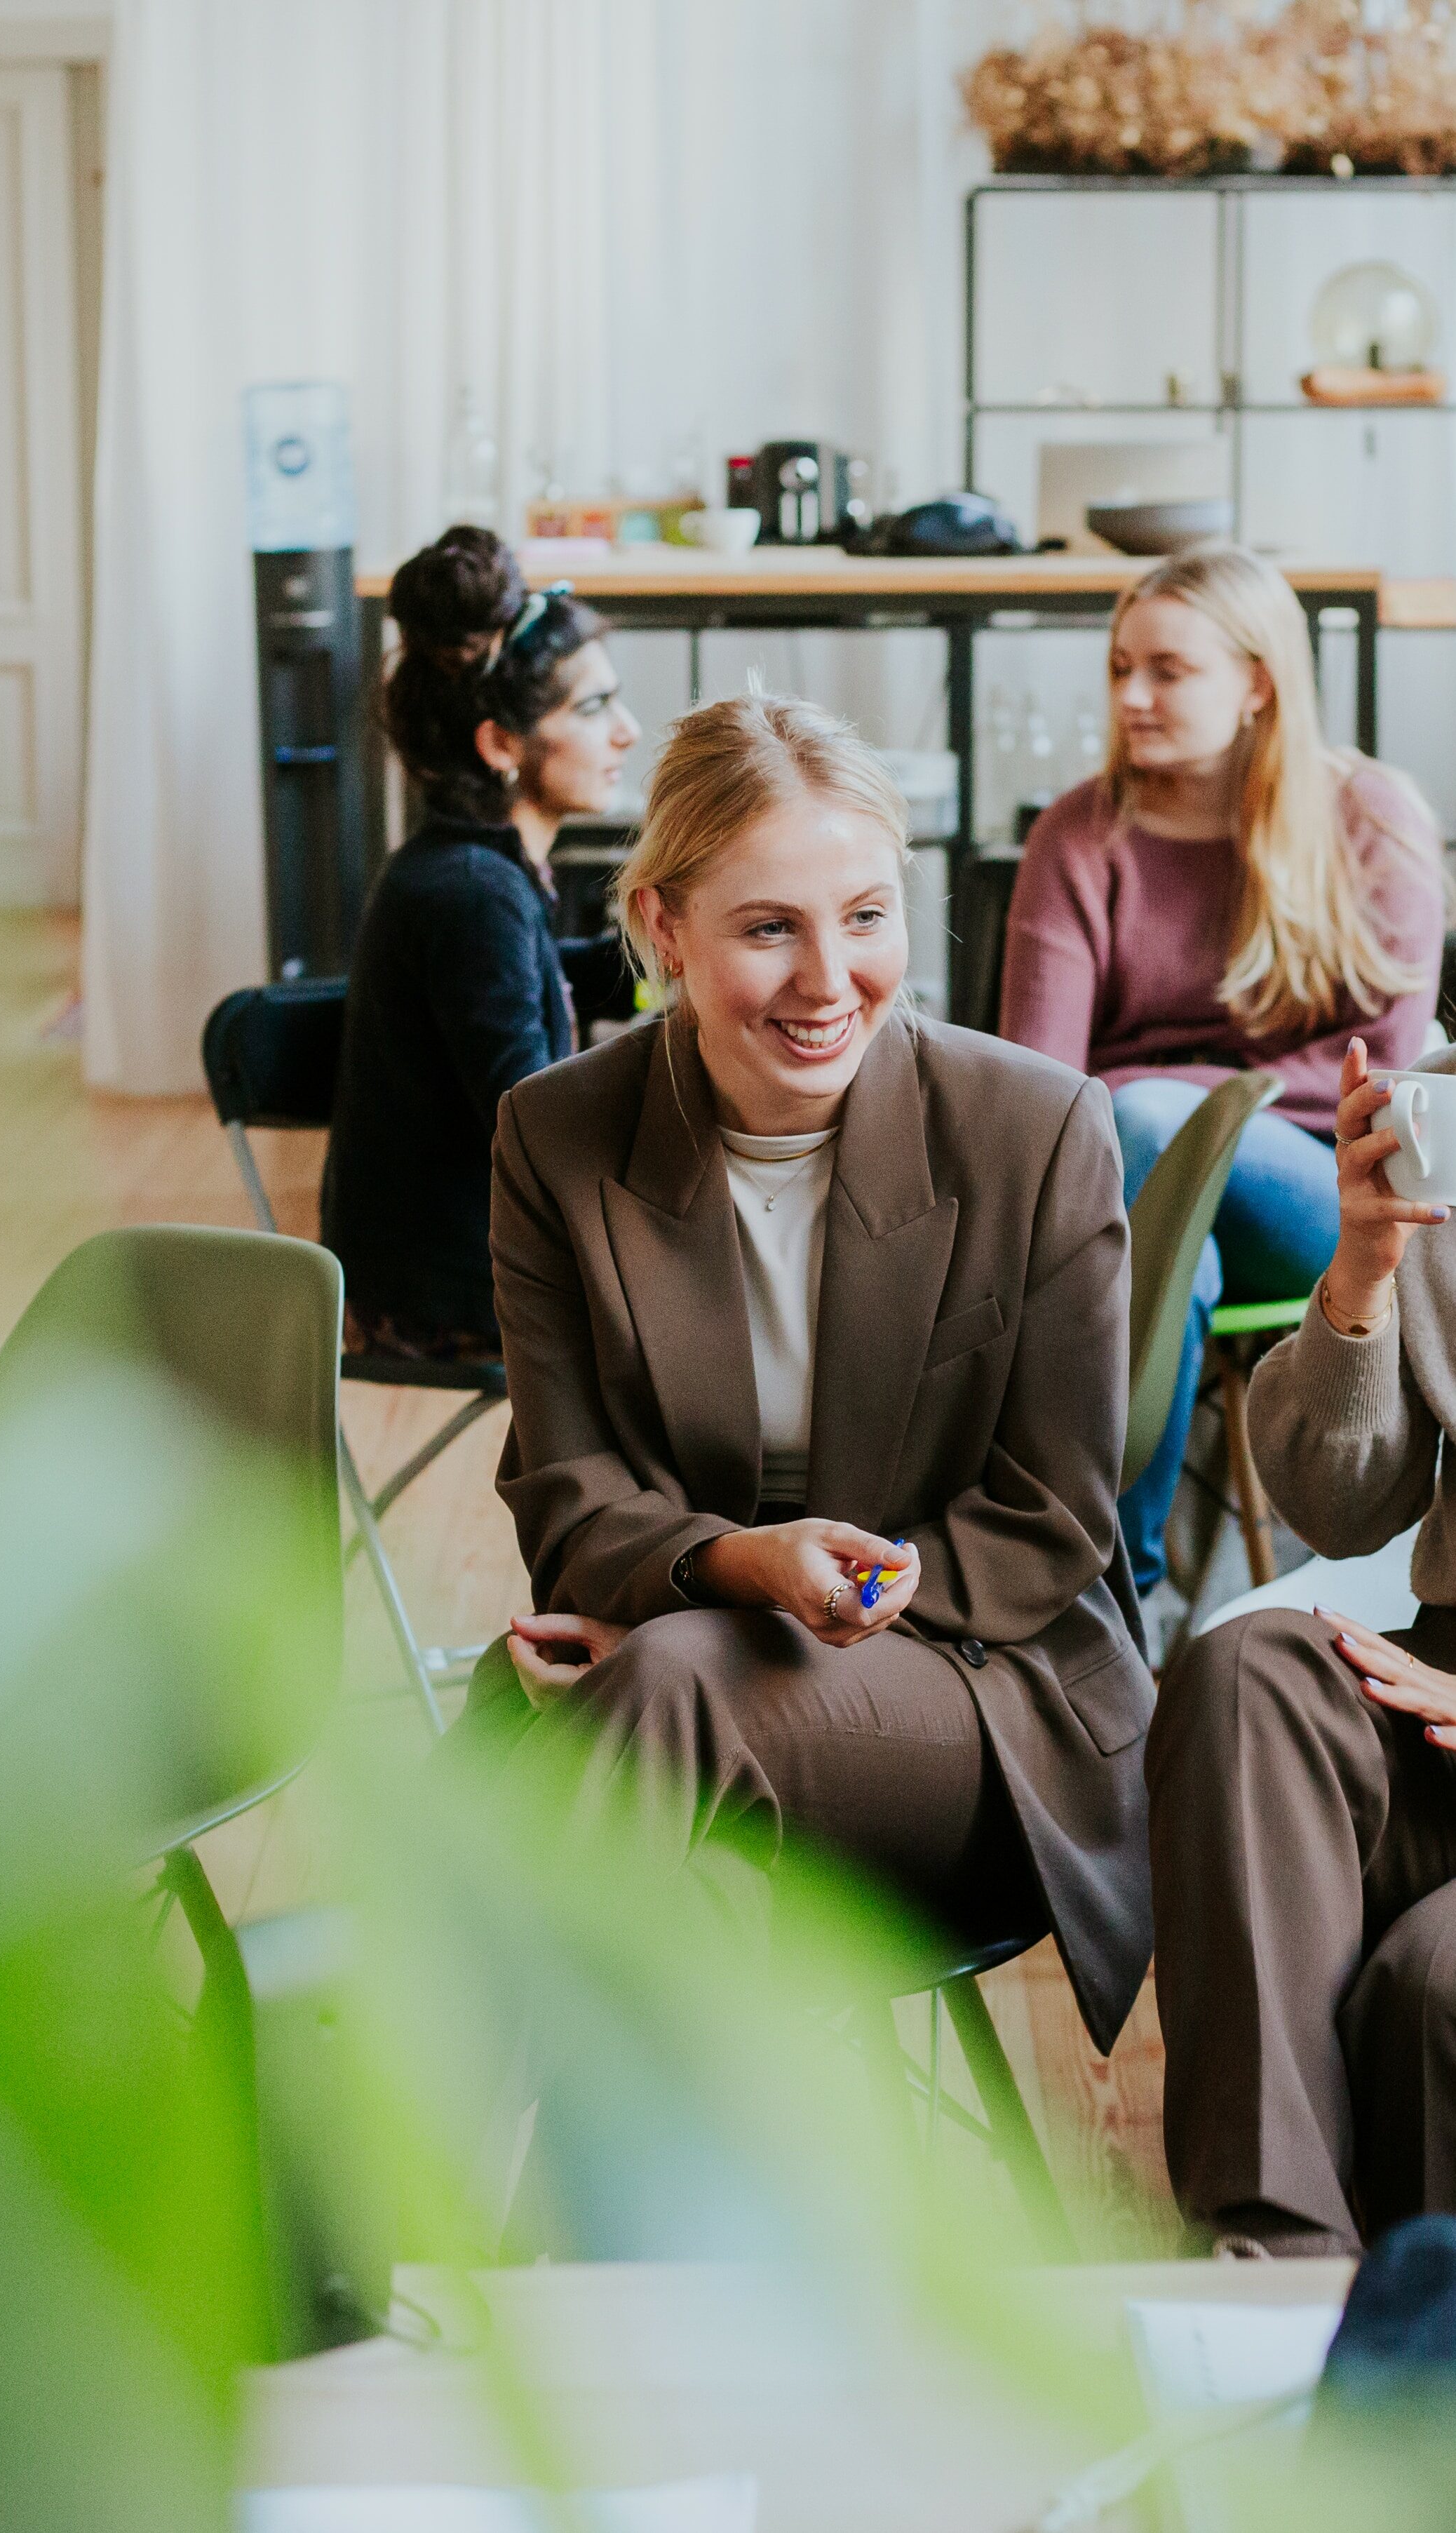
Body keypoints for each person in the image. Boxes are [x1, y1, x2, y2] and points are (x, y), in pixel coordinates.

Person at [479, 693, 1153, 2057]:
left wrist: (737, 1622)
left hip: (980, 1688)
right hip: (676, 1692)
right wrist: (735, 1574)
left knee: (634, 1707)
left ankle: (363, 2203)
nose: (828, 976)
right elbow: (568, 1488)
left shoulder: (1036, 1130)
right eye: (768, 925)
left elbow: (1053, 1513)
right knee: (690, 1910)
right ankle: (662, 2265)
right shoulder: (556, 1136)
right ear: (662, 927)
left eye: (864, 914)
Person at [999, 543, 1445, 1616]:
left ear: (1256, 681)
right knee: (1170, 1259)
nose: (1132, 696)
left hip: (1339, 1204)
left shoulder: (1371, 820)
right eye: (1117, 668)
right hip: (1138, 1192)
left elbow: (1384, 1083)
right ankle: (1126, 1607)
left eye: (1167, 669)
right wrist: (1165, 1103)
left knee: (1146, 1112)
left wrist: (1184, 1091)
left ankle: (1105, 1594)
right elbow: (1038, 1084)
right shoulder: (1078, 834)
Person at [1151, 1032, 1456, 2254]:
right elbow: (1338, 1509)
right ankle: (1274, 2270)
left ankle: (1403, 2375)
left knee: (1429, 1985)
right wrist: (1363, 1276)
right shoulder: (1434, 1109)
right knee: (1245, 1676)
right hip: (1432, 1670)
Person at [320, 525, 636, 1356]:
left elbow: (537, 984)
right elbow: (534, 1131)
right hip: (449, 1295)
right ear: (499, 743)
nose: (628, 731)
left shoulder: (470, 867)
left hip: (442, 1269)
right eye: (595, 707)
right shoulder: (471, 893)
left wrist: (669, 970)